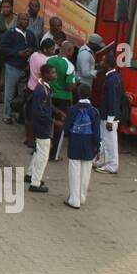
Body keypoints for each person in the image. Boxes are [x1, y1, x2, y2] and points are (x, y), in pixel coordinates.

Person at [63, 84, 102, 209]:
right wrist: (97, 146)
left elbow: (67, 129)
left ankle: (74, 199)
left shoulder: (72, 110)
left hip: (75, 143)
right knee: (86, 171)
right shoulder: (94, 111)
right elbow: (96, 132)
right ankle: (82, 196)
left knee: (74, 170)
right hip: (89, 145)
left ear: (77, 94)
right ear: (90, 94)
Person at [25, 62, 56, 193]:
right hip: (42, 125)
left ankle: (30, 174)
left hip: (39, 124)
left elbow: (46, 106)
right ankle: (35, 183)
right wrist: (52, 121)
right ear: (45, 75)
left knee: (38, 150)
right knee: (43, 154)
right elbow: (38, 111)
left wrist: (58, 112)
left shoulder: (43, 87)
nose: (54, 75)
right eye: (52, 73)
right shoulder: (41, 90)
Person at [96, 60, 124, 175]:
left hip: (109, 117)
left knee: (110, 141)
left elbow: (113, 100)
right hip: (108, 115)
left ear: (108, 64)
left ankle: (112, 165)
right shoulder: (114, 77)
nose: (101, 62)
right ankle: (103, 161)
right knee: (105, 139)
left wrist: (110, 120)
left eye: (103, 60)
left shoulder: (111, 80)